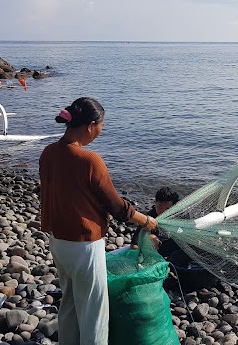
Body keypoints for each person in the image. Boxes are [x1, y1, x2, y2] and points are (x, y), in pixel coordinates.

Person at [39, 97, 157, 345]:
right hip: (84, 244)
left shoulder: (49, 153)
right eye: (101, 126)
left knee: (69, 302)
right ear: (91, 125)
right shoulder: (90, 161)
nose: (101, 132)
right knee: (94, 311)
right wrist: (146, 220)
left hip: (58, 240)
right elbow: (117, 207)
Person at [130, 186, 181, 257]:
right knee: (151, 237)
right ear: (155, 203)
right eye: (159, 206)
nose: (162, 211)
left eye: (167, 208)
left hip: (176, 246)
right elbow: (134, 245)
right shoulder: (149, 218)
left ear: (174, 207)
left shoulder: (180, 215)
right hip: (157, 251)